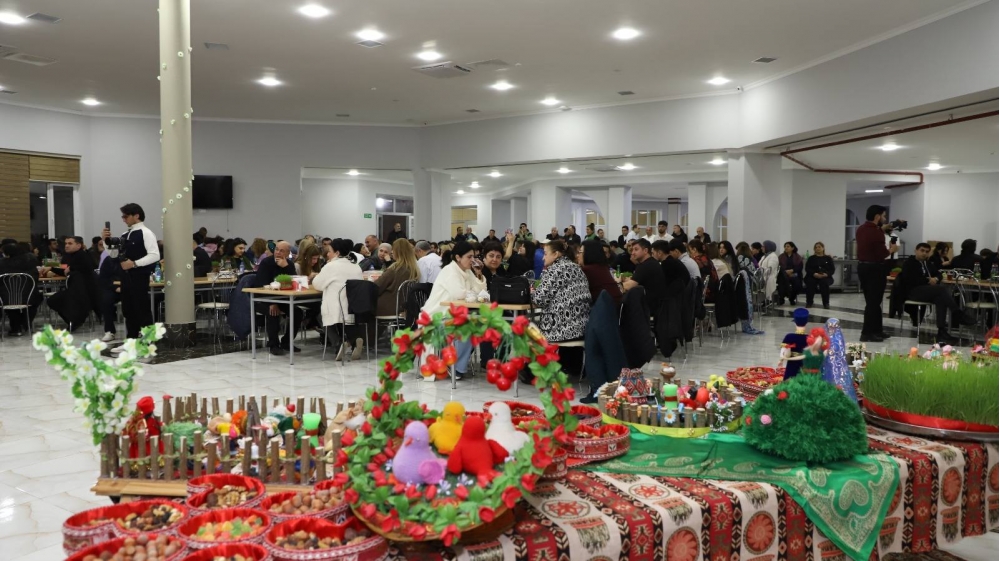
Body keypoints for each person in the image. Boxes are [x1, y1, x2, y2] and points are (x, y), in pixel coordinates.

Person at [422, 241, 486, 380]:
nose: (472, 260)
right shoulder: (449, 271)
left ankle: (456, 363)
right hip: (438, 316)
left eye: (473, 256)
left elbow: (481, 291)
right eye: (469, 257)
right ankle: (455, 368)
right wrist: (473, 293)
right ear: (458, 257)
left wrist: (479, 274)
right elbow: (459, 294)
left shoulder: (467, 271)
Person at [530, 239, 591, 380]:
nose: (543, 258)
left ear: (556, 254)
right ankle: (571, 367)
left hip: (562, 328)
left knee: (528, 328)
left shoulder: (554, 269)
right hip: (581, 326)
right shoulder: (576, 267)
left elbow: (539, 299)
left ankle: (531, 372)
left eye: (545, 253)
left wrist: (531, 292)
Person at [102, 203, 159, 348]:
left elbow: (154, 255)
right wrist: (105, 241)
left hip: (139, 275)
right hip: (125, 276)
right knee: (128, 309)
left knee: (141, 308)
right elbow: (114, 255)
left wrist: (134, 264)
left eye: (126, 216)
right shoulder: (124, 235)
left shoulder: (146, 233)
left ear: (136, 215)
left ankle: (147, 340)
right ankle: (131, 340)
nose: (123, 219)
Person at [896, 243, 975, 345]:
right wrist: (928, 280)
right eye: (922, 250)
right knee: (941, 290)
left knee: (940, 299)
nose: (924, 253)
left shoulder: (927, 263)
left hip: (926, 291)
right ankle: (957, 313)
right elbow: (911, 280)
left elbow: (939, 273)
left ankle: (941, 331)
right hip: (913, 291)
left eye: (926, 252)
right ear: (916, 250)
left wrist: (936, 279)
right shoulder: (909, 263)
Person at [313, 239, 365, 360]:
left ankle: (338, 343)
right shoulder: (356, 266)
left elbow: (317, 285)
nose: (327, 254)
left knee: (322, 316)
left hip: (336, 304)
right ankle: (353, 341)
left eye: (329, 251)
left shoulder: (330, 266)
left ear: (337, 253)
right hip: (353, 305)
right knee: (345, 319)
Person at [856, 205, 897, 342]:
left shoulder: (861, 229)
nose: (884, 218)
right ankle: (867, 333)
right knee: (874, 302)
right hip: (875, 269)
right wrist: (892, 250)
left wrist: (884, 228)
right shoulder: (877, 232)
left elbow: (873, 235)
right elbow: (882, 254)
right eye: (883, 216)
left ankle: (877, 330)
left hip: (863, 267)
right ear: (877, 216)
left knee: (872, 300)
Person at [255, 241, 298, 355]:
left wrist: (286, 267)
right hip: (263, 299)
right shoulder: (266, 263)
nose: (278, 252)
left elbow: (293, 282)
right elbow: (262, 285)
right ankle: (273, 344)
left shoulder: (289, 264)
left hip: (282, 299)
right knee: (273, 312)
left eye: (281, 251)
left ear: (288, 253)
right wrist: (272, 302)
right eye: (276, 249)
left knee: (297, 312)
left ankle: (286, 342)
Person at [373, 238, 420, 327]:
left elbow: (376, 287)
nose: (392, 252)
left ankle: (365, 335)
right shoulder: (414, 269)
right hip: (405, 308)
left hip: (389, 308)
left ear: (398, 252)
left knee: (365, 308)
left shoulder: (394, 269)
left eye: (393, 249)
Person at [0, 242, 42, 336]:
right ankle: (26, 323)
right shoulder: (30, 261)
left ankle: (16, 327)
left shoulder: (2, 263)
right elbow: (35, 279)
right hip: (29, 297)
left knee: (10, 299)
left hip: (6, 298)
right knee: (37, 297)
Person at [622, 239, 666, 313]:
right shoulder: (651, 262)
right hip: (657, 305)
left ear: (645, 251)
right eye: (632, 250)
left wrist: (615, 286)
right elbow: (637, 279)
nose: (632, 253)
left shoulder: (645, 265)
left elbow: (628, 286)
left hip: (649, 308)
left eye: (636, 249)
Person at [579, 239, 622, 305]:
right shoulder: (603, 267)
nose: (577, 255)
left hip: (604, 307)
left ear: (588, 254)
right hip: (616, 305)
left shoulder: (587, 270)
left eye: (580, 252)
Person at [804, 242, 835, 309]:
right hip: (813, 276)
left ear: (823, 248)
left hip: (825, 276)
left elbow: (832, 269)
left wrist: (826, 274)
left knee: (824, 283)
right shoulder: (811, 258)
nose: (817, 248)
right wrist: (814, 274)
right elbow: (807, 268)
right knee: (810, 283)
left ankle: (826, 303)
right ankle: (809, 302)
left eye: (819, 247)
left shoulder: (828, 258)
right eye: (816, 247)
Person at [777, 241, 804, 306]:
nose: (786, 248)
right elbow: (778, 267)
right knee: (782, 282)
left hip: (794, 274)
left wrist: (792, 270)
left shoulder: (797, 257)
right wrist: (785, 272)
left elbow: (800, 267)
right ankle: (781, 298)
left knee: (797, 284)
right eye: (785, 246)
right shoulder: (781, 256)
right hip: (783, 274)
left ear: (792, 248)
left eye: (788, 246)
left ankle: (792, 298)